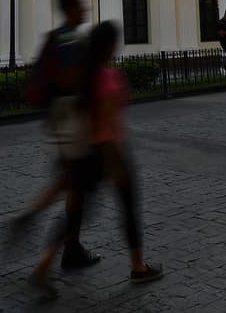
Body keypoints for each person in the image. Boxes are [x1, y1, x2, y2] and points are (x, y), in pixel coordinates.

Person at [61, 21, 164, 289]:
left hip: (89, 150)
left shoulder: (87, 75)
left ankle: (53, 256)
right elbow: (108, 118)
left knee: (80, 205)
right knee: (126, 206)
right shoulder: (107, 76)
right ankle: (138, 266)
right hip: (110, 152)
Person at [25, 0, 100, 296]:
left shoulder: (62, 37)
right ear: (70, 8)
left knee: (73, 187)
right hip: (72, 120)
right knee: (80, 192)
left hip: (63, 119)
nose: (85, 9)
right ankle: (45, 264)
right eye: (81, 5)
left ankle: (69, 247)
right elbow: (70, 78)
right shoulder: (70, 40)